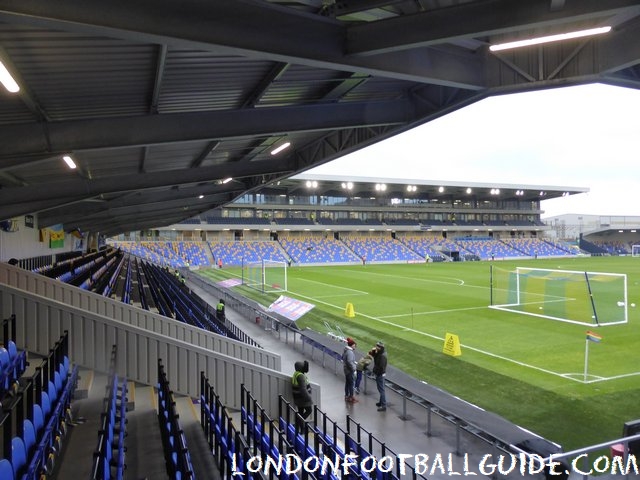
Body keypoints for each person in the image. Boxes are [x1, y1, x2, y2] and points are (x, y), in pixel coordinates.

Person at [291, 360, 312, 430]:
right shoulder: (301, 376)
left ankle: (301, 428)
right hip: (303, 399)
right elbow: (303, 390)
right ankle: (298, 423)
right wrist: (309, 398)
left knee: (300, 412)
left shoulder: (296, 374)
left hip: (298, 398)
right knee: (309, 410)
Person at [372, 341, 388, 411]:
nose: (376, 347)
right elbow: (374, 358)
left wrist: (377, 373)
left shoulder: (382, 356)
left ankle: (384, 405)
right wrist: (374, 351)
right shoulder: (379, 353)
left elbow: (381, 367)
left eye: (377, 346)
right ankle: (381, 402)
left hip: (380, 374)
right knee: (380, 389)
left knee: (381, 390)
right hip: (379, 373)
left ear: (381, 347)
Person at [342, 337, 357, 403]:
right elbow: (350, 362)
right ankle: (351, 397)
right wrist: (354, 369)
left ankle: (347, 395)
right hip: (349, 370)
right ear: (352, 345)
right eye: (354, 345)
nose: (355, 346)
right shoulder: (350, 352)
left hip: (346, 370)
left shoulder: (346, 350)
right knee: (351, 384)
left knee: (347, 383)